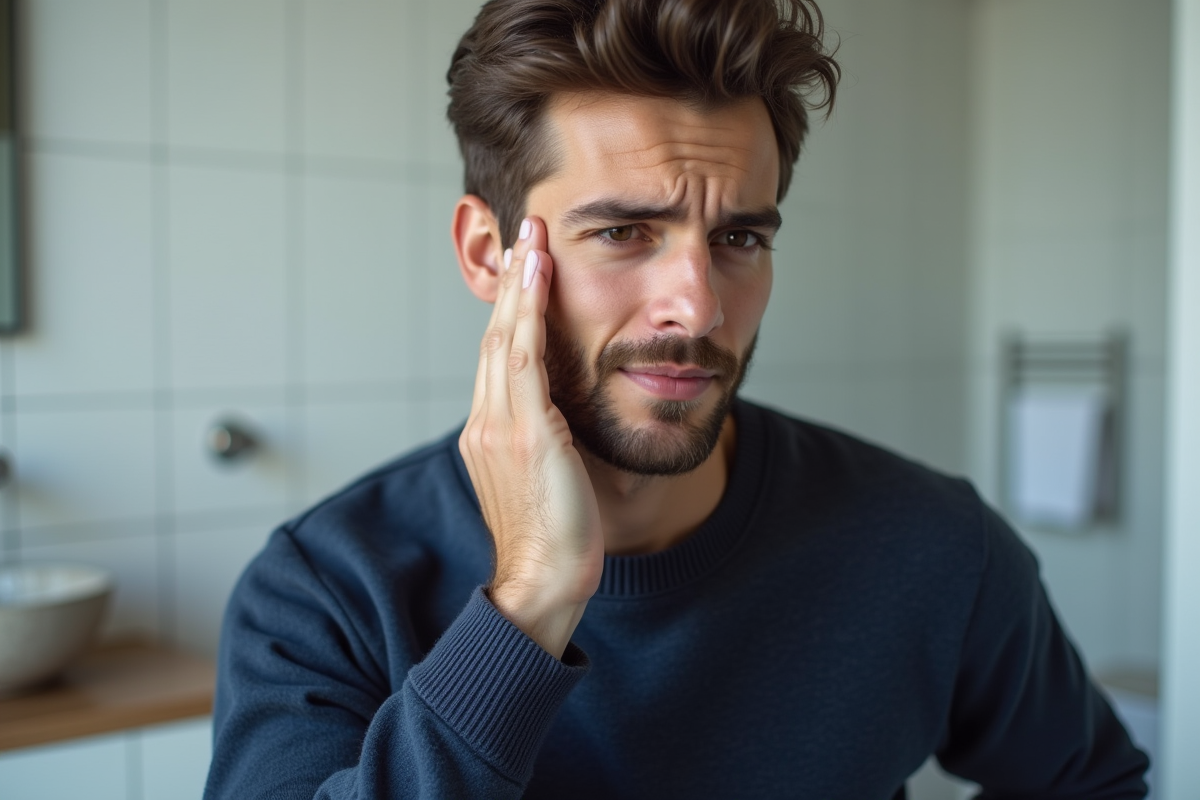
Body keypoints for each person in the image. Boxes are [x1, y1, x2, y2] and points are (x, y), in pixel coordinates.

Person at [205, 0, 1150, 797]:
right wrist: (531, 601)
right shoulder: (324, 592)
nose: (698, 306)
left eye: (739, 239)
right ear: (488, 255)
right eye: (623, 231)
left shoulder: (936, 546)